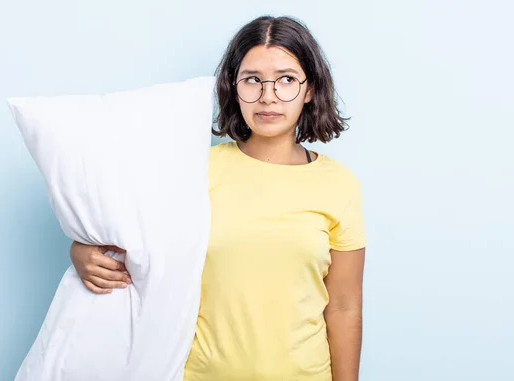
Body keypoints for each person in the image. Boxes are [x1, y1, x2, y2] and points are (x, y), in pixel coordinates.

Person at [70, 15, 367, 381]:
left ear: (310, 89)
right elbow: (133, 242)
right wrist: (82, 253)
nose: (267, 96)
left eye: (286, 79)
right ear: (232, 86)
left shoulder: (339, 184)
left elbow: (343, 306)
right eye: (252, 80)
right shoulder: (193, 170)